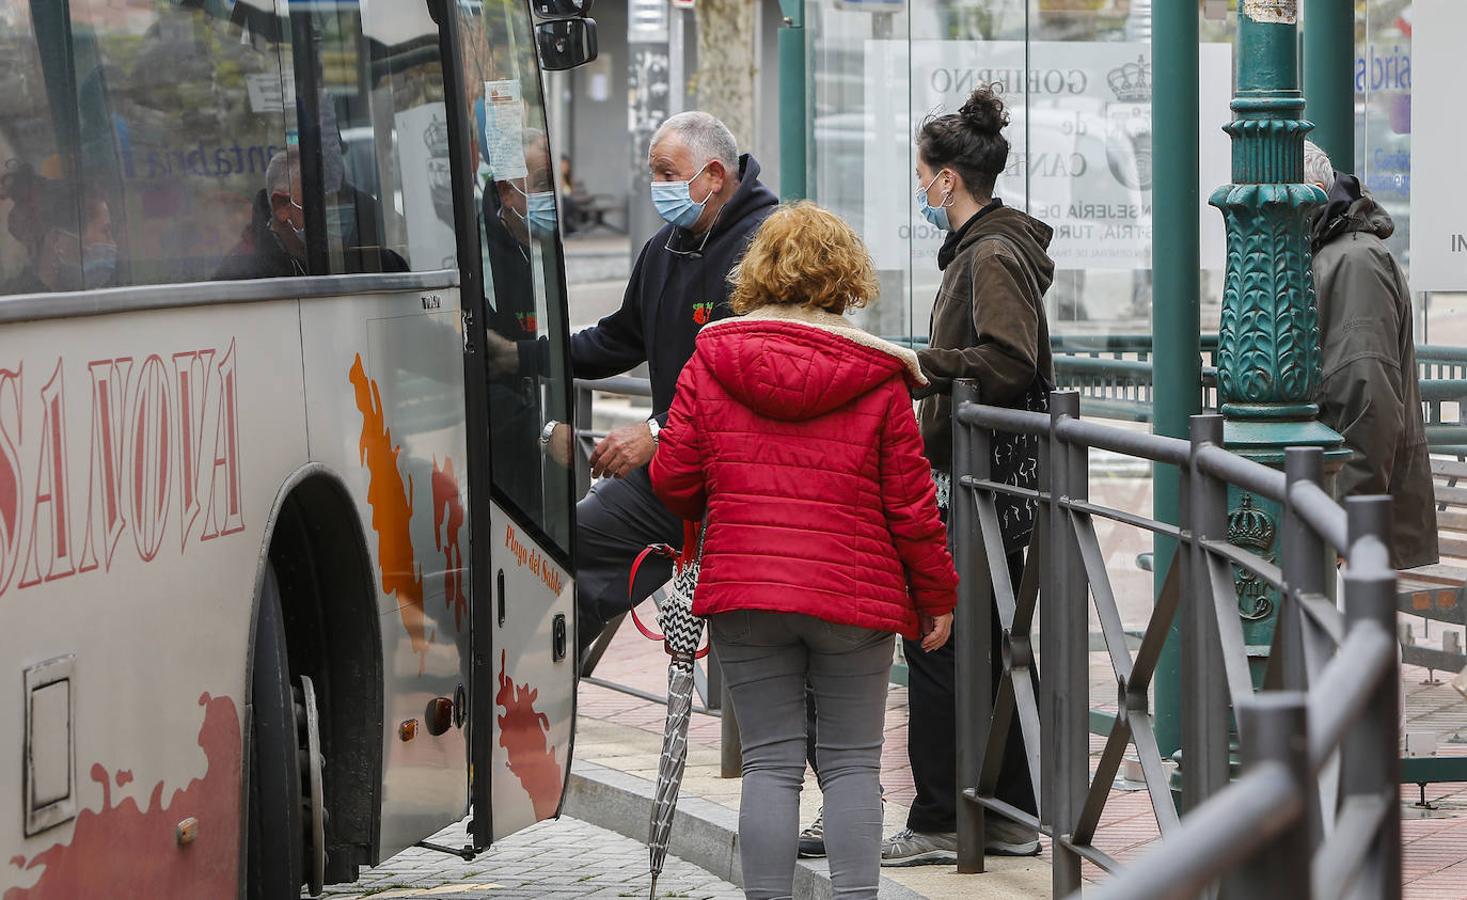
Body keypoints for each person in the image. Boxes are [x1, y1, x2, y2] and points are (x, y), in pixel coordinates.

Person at [649, 201, 958, 900]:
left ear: (757, 273)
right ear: (845, 278)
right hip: (854, 596)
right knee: (851, 763)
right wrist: (935, 598)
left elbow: (672, 479)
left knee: (769, 763)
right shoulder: (878, 375)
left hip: (744, 587)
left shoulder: (712, 359)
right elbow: (911, 507)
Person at [494, 111, 779, 655]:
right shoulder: (664, 248)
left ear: (714, 175)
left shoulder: (767, 245)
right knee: (560, 558)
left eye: (669, 174)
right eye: (655, 174)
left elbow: (754, 377)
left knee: (758, 660)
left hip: (747, 482)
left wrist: (657, 430)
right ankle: (539, 701)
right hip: (672, 476)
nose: (658, 188)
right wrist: (523, 358)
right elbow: (617, 339)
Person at [881, 85, 1054, 866]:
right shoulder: (988, 249)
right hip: (976, 482)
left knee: (940, 638)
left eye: (922, 176)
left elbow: (1009, 360)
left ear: (947, 178)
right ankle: (1010, 811)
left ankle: (944, 816)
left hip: (973, 484)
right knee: (980, 644)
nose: (920, 188)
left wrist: (922, 366)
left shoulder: (988, 253)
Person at [1304, 141, 1438, 569]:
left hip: (1346, 527)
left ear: (1311, 191)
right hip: (1340, 514)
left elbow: (1367, 400)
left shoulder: (1352, 262)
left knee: (1349, 632)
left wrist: (1346, 524)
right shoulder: (1338, 254)